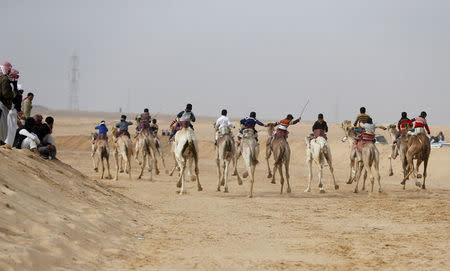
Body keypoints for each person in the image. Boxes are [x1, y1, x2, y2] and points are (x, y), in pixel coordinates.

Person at [5, 71, 21, 146]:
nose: (17, 78)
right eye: (16, 77)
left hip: (12, 111)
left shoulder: (12, 85)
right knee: (10, 130)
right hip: (11, 110)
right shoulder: (11, 85)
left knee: (12, 130)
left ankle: (9, 144)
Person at [0, 62, 14, 143]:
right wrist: (13, 94)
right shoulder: (5, 79)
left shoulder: (2, 78)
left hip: (2, 103)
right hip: (3, 104)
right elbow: (5, 93)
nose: (10, 71)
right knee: (4, 125)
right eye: (9, 69)